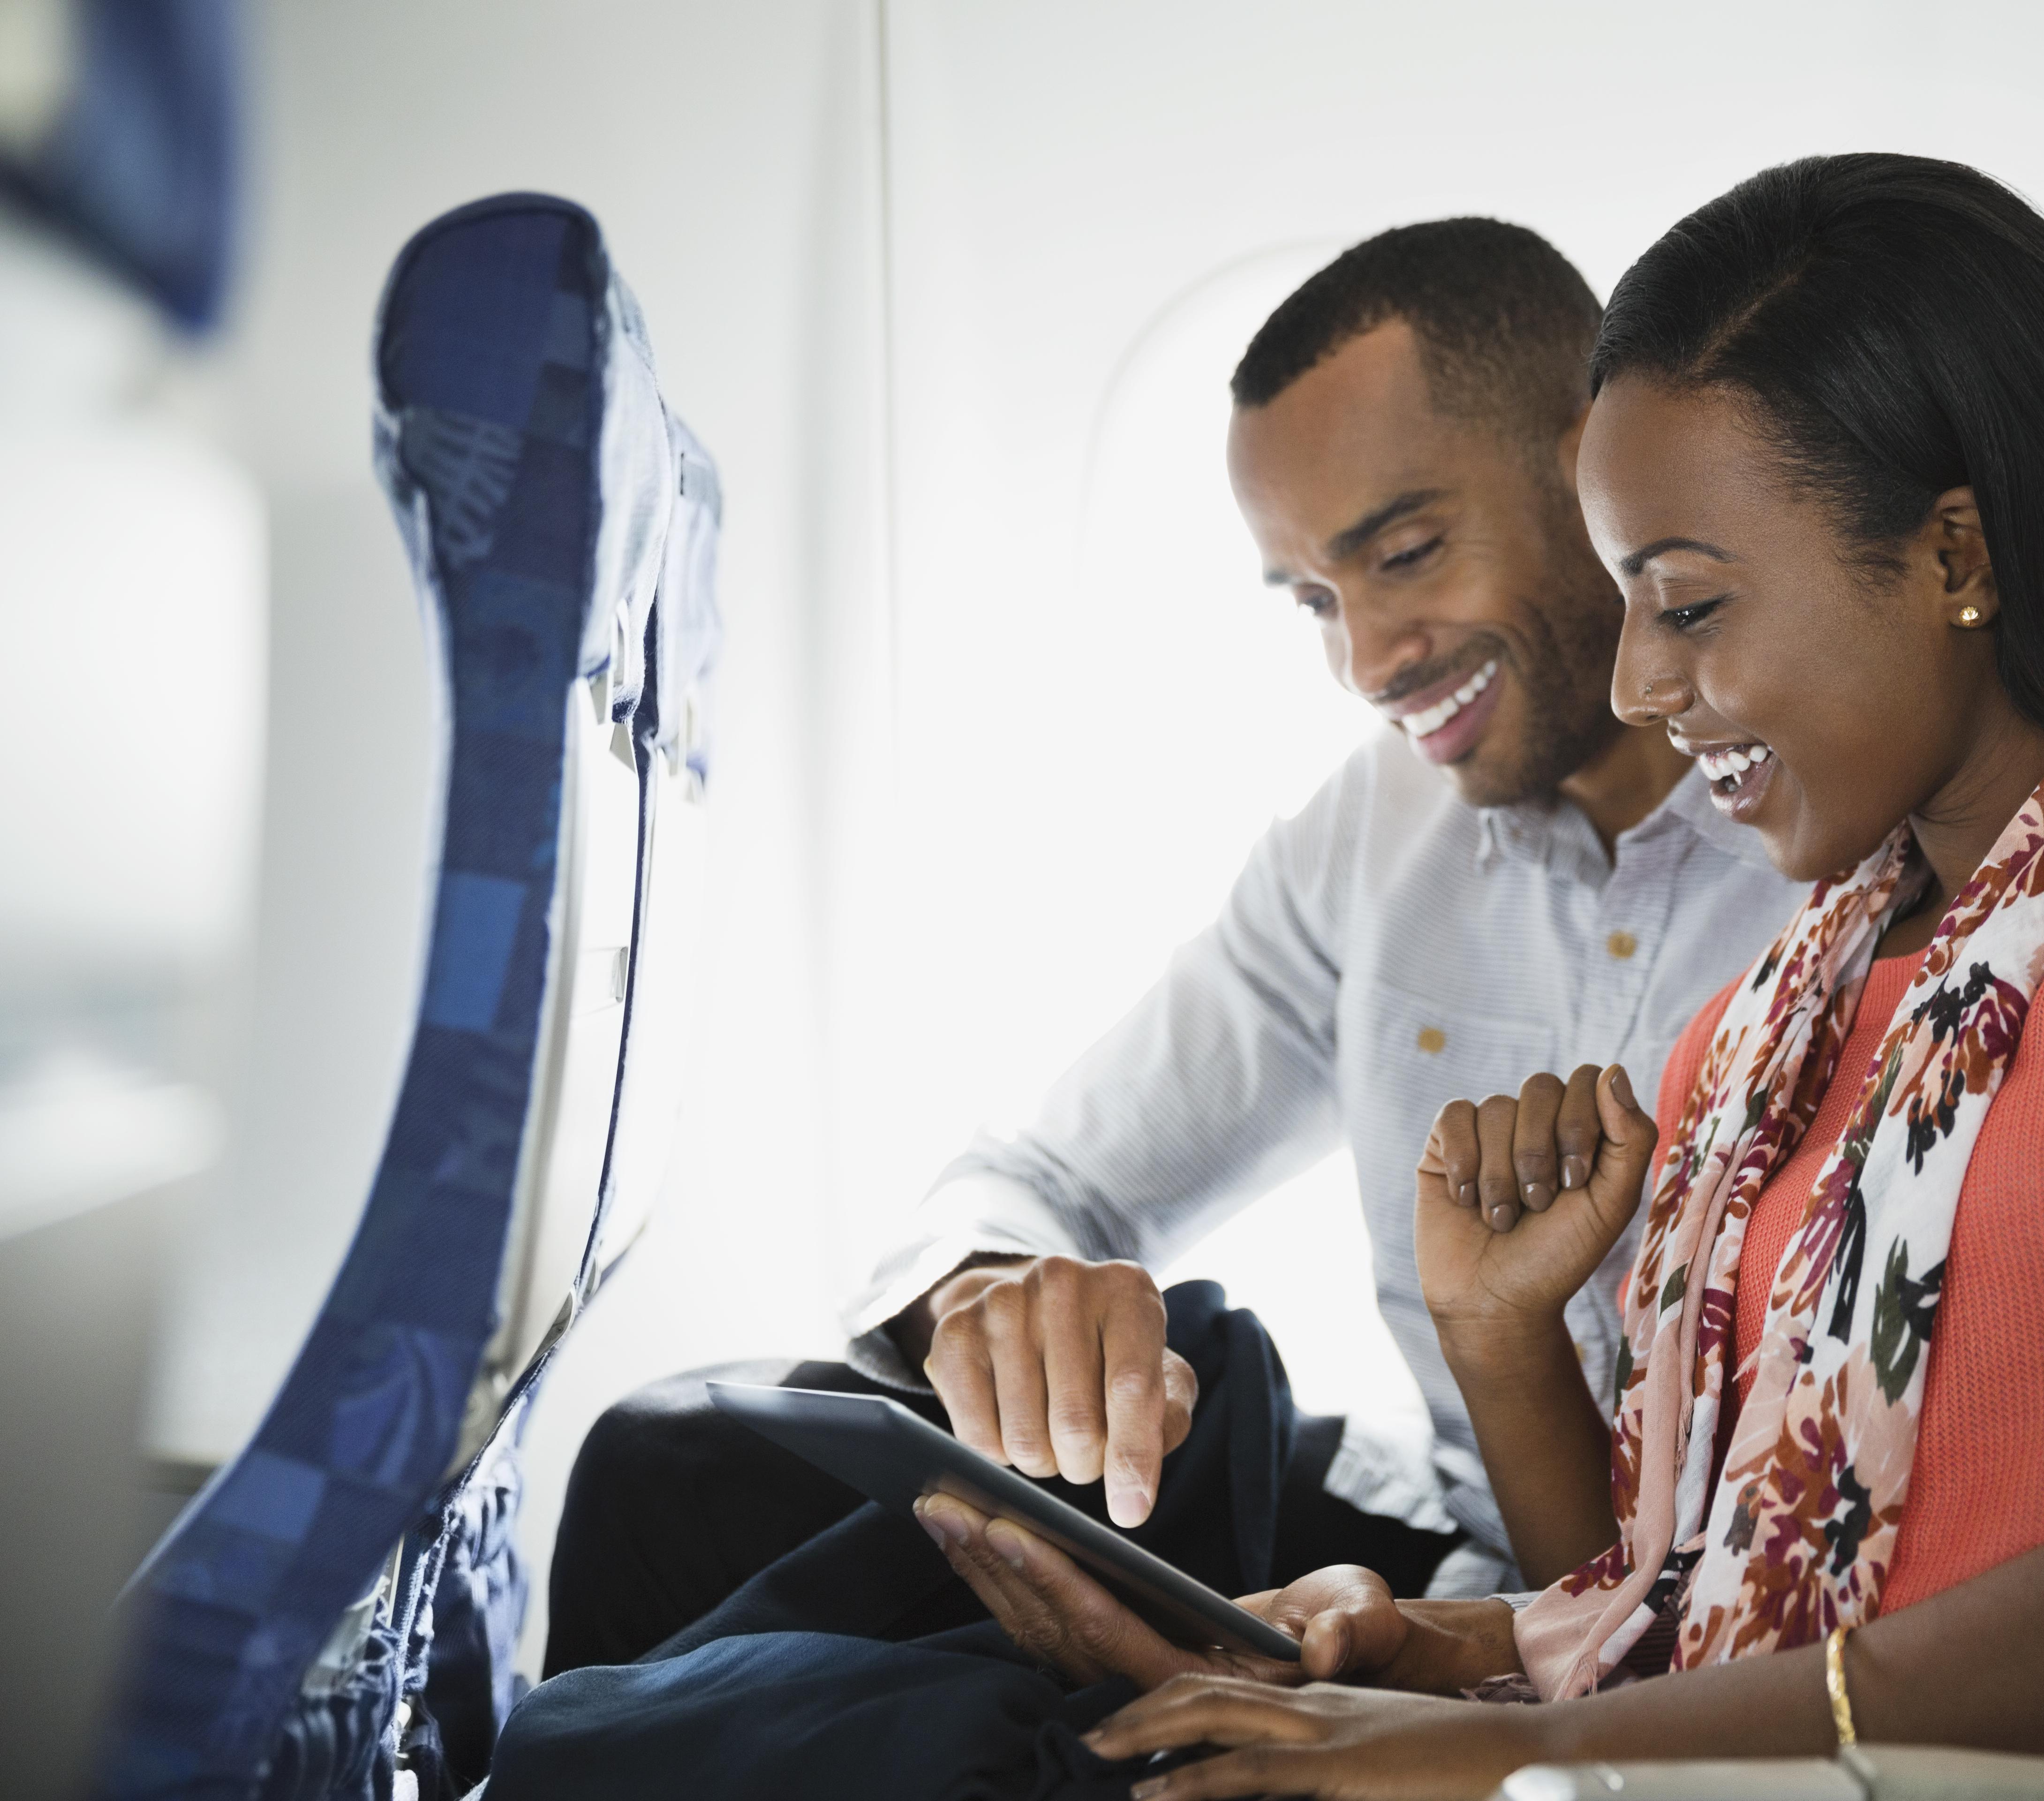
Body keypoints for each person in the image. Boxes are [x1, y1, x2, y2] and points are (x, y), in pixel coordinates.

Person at [863, 154, 2044, 1801]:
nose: (1637, 683)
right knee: (878, 1684)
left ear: (1957, 555)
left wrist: (1497, 1762)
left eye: (1689, 607)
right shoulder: (1810, 983)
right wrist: (1448, 1573)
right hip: (1775, 1776)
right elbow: (1653, 1600)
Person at [541, 219, 1804, 1673]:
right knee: (675, 1474)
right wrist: (995, 1298)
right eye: (1320, 600)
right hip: (1437, 1533)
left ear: (1595, 460)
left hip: (1670, 1603)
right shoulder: (1375, 834)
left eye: (1406, 552)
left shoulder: (1817, 826)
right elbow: (1046, 1176)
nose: (1371, 660)